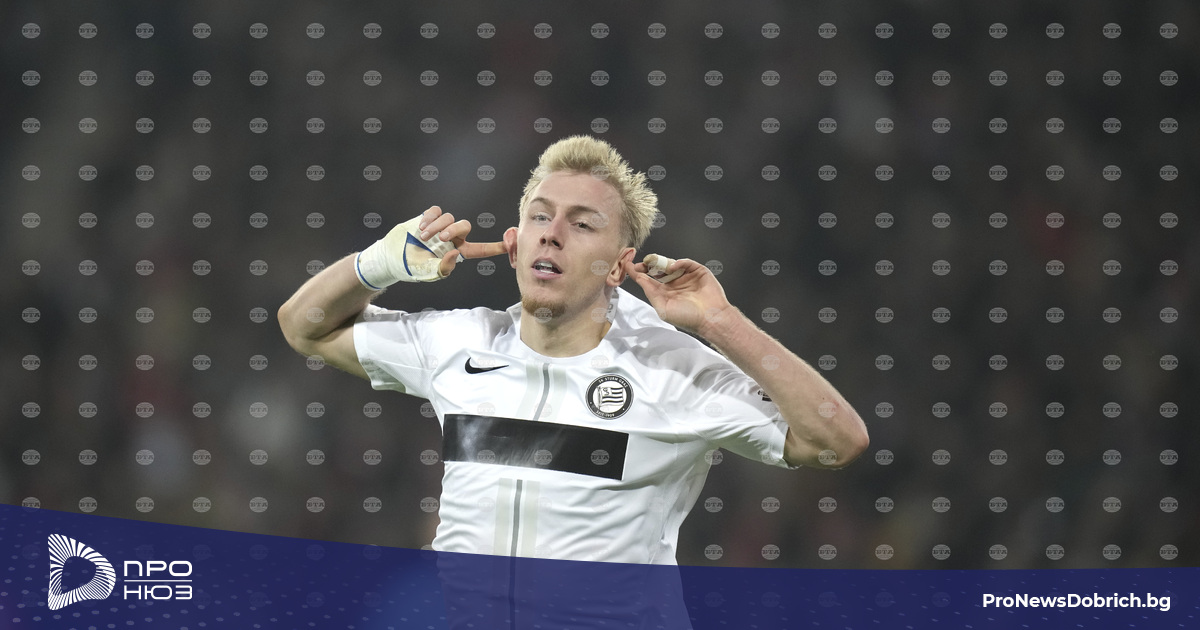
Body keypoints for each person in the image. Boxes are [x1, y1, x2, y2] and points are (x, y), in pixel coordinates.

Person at [278, 135, 868, 625]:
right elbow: (305, 328)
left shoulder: (670, 369)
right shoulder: (459, 344)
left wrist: (721, 323)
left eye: (582, 224)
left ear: (618, 266)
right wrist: (377, 266)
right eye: (539, 216)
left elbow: (836, 440)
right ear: (514, 246)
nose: (552, 232)